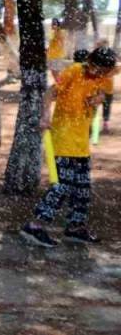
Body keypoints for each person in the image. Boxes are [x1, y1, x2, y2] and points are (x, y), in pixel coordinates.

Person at [20, 47, 118, 247]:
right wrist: (45, 116)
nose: (97, 73)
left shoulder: (104, 76)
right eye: (95, 68)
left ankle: (75, 228)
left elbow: (104, 91)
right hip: (62, 140)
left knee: (82, 190)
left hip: (81, 144)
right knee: (61, 187)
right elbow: (50, 93)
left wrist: (98, 98)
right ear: (89, 61)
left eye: (102, 71)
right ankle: (34, 226)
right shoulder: (74, 71)